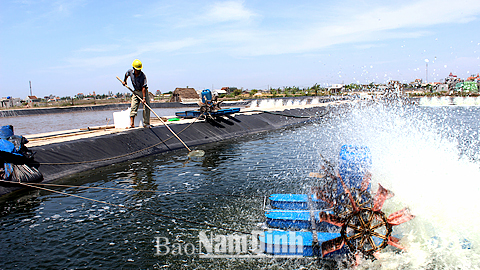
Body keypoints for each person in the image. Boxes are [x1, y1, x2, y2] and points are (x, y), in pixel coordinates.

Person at [123, 59, 150, 128]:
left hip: (143, 92)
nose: (138, 71)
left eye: (139, 69)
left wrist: (144, 98)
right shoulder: (130, 72)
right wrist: (124, 81)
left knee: (146, 107)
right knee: (133, 106)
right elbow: (126, 75)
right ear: (134, 68)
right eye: (137, 70)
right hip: (136, 91)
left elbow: (143, 87)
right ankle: (131, 124)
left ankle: (146, 123)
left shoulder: (143, 76)